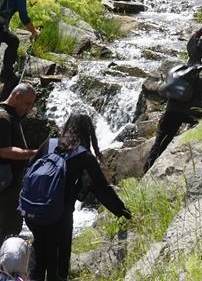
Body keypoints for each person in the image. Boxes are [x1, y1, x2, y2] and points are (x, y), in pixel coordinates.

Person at [25, 113, 132, 281]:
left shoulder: (49, 143)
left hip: (33, 211)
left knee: (39, 249)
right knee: (59, 258)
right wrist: (124, 212)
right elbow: (102, 189)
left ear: (67, 126)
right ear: (87, 131)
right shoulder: (84, 156)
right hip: (60, 214)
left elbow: (29, 169)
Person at [0, 84, 39, 275]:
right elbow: (5, 151)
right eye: (27, 104)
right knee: (10, 227)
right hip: (6, 183)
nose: (28, 109)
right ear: (17, 97)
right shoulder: (3, 118)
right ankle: (4, 270)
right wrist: (35, 153)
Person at [144, 48, 202, 172]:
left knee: (159, 145)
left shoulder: (193, 69)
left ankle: (147, 172)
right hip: (192, 113)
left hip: (172, 110)